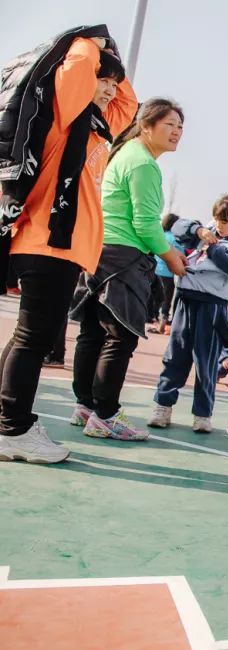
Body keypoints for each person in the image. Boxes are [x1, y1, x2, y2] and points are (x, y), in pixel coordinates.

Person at [0, 35, 138, 463]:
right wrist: (89, 39)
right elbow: (77, 67)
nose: (111, 89)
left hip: (62, 247)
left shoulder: (97, 127)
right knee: (33, 336)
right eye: (104, 80)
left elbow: (128, 106)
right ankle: (13, 428)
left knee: (31, 334)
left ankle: (8, 421)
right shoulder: (63, 116)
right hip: (47, 242)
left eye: (114, 82)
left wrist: (112, 64)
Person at [68, 98, 187, 442]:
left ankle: (86, 405)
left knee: (93, 332)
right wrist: (171, 257)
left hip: (100, 251)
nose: (177, 132)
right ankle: (105, 413)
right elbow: (147, 224)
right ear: (146, 125)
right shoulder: (143, 164)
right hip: (123, 258)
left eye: (181, 126)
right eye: (170, 124)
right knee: (119, 337)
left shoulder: (125, 155)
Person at [147, 195, 228, 432]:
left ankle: (202, 414)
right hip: (185, 303)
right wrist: (198, 231)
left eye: (226, 221)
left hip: (212, 307)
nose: (219, 225)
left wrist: (215, 249)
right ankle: (162, 405)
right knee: (175, 356)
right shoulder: (204, 232)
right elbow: (175, 227)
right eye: (217, 219)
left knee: (206, 363)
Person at [147, 212, 184, 335]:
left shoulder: (161, 235)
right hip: (169, 274)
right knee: (166, 300)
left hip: (155, 271)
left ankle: (150, 318)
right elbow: (180, 255)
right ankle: (162, 323)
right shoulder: (175, 239)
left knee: (152, 297)